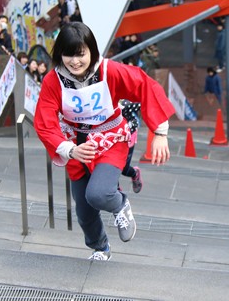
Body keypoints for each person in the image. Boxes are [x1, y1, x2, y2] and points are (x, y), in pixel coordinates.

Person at [33, 22, 175, 261]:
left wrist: (160, 132)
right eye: (69, 54)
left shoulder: (110, 70)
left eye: (81, 54)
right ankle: (100, 247)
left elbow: (145, 85)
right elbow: (44, 120)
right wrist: (69, 149)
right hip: (76, 146)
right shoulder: (52, 81)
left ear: (91, 51)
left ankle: (120, 205)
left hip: (110, 139)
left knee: (98, 194)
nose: (75, 61)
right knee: (84, 213)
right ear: (60, 54)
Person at [118, 100, 143, 193]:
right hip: (109, 136)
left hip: (128, 135)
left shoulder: (127, 100)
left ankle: (134, 173)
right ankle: (114, 189)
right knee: (108, 163)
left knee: (123, 168)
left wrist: (124, 104)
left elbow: (141, 103)